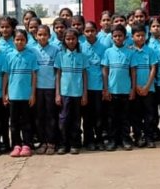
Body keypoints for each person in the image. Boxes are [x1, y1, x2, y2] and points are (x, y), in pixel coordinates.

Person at [54, 28, 87, 154]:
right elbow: (58, 75)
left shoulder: (82, 56)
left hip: (78, 93)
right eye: (68, 39)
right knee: (63, 119)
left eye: (73, 39)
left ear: (77, 40)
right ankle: (63, 144)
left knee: (76, 120)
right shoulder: (60, 56)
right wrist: (57, 94)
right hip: (64, 93)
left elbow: (84, 75)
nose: (71, 41)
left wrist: (85, 94)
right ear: (64, 40)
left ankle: (75, 144)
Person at [6, 30, 38, 158]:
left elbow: (34, 76)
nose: (19, 42)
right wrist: (5, 93)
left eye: (22, 40)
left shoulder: (31, 56)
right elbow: (6, 75)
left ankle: (27, 144)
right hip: (13, 95)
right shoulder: (9, 56)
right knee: (14, 122)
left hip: (26, 96)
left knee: (27, 121)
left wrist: (33, 94)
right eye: (17, 39)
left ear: (26, 41)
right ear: (13, 41)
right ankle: (16, 145)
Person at [101, 24, 134, 151]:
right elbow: (105, 71)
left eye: (120, 36)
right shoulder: (108, 52)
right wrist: (106, 89)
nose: (118, 38)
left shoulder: (130, 52)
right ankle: (112, 140)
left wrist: (132, 89)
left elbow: (133, 72)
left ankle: (125, 139)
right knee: (112, 117)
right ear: (112, 37)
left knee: (125, 117)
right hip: (112, 90)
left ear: (125, 37)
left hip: (125, 90)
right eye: (115, 36)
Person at [33, 25, 60, 153]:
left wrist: (57, 91)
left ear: (49, 36)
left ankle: (51, 142)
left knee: (51, 116)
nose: (42, 37)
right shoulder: (33, 50)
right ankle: (42, 142)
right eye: (40, 34)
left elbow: (58, 71)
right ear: (35, 36)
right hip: (37, 88)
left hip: (51, 87)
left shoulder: (55, 50)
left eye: (45, 34)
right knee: (39, 116)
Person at [129, 27, 159, 147]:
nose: (141, 38)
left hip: (149, 88)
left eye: (143, 35)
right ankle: (138, 137)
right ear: (132, 37)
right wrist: (135, 86)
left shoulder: (150, 51)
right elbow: (129, 71)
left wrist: (147, 86)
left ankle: (149, 137)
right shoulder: (129, 51)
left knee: (150, 114)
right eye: (138, 35)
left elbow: (153, 69)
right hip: (134, 89)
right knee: (135, 114)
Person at [81, 21, 107, 150]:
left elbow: (104, 69)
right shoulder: (80, 47)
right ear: (83, 33)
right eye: (87, 31)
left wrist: (105, 88)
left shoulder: (103, 48)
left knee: (99, 116)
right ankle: (88, 140)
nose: (90, 33)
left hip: (98, 87)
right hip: (84, 88)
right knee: (87, 116)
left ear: (96, 31)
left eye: (92, 31)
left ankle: (99, 140)